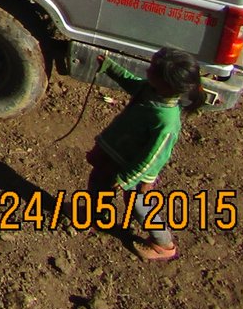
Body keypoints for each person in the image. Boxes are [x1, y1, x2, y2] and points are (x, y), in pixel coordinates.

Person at [85, 48, 205, 262]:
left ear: (168, 85)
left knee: (139, 205)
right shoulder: (151, 90)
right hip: (120, 154)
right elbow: (131, 82)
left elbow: (152, 158)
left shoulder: (166, 121)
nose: (147, 72)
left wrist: (127, 179)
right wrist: (111, 67)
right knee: (99, 182)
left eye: (152, 71)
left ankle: (164, 244)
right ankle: (96, 215)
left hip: (136, 171)